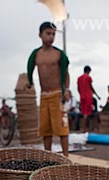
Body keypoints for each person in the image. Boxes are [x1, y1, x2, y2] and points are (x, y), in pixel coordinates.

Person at [27, 22, 70, 156]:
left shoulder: (58, 54)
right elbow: (30, 69)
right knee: (45, 128)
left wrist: (66, 90)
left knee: (62, 127)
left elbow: (66, 73)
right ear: (40, 35)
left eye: (53, 34)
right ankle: (48, 156)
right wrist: (29, 82)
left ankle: (66, 156)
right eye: (48, 33)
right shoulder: (36, 55)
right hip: (44, 95)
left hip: (58, 94)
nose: (51, 37)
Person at [77, 66, 100, 132]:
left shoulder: (79, 78)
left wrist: (81, 94)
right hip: (88, 97)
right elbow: (91, 87)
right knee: (86, 113)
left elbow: (78, 88)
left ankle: (85, 128)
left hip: (82, 97)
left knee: (84, 111)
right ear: (89, 71)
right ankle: (84, 128)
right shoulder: (88, 77)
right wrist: (97, 95)